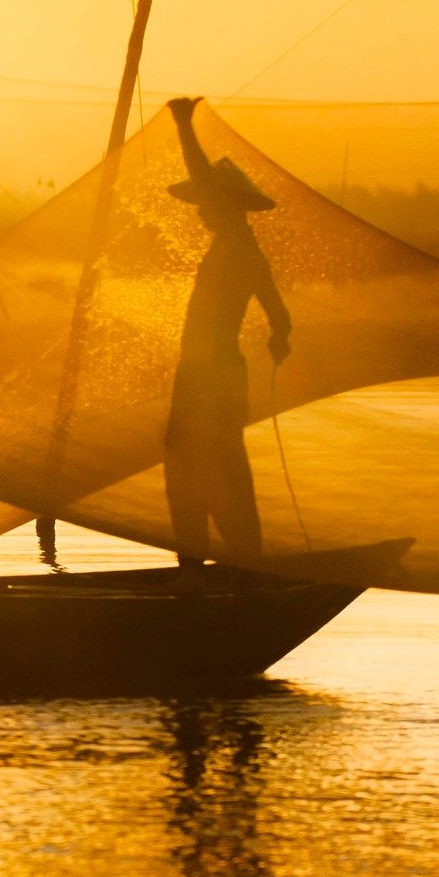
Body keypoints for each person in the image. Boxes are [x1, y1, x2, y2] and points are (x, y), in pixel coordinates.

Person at [163, 97, 289, 588]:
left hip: (206, 375)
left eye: (208, 203)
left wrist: (183, 125)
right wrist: (279, 339)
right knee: (214, 463)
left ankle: (211, 569)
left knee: (195, 464)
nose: (201, 211)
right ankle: (236, 562)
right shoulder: (247, 250)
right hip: (217, 372)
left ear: (227, 204)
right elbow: (282, 319)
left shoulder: (236, 242)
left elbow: (202, 171)